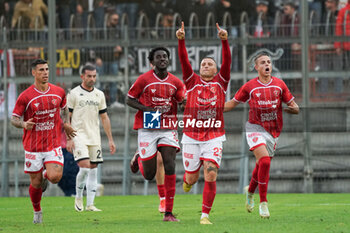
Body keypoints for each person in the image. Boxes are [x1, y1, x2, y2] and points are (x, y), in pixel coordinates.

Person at [224, 52, 299, 218]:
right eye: (263, 62)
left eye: (269, 62)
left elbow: (295, 106)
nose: (267, 65)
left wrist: (294, 109)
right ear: (256, 67)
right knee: (264, 161)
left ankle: (250, 192)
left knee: (261, 165)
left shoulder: (280, 85)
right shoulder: (250, 86)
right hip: (254, 128)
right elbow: (232, 103)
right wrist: (213, 109)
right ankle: (263, 203)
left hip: (273, 131)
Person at [176, 21, 231, 225]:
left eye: (210, 64)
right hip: (191, 135)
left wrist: (224, 41)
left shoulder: (221, 82)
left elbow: (228, 63)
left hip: (214, 136)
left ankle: (205, 215)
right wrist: (181, 41)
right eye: (203, 64)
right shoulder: (191, 82)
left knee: (210, 172)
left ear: (216, 69)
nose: (206, 66)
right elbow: (183, 61)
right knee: (191, 178)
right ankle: (187, 180)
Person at [11, 59, 76, 224]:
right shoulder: (25, 96)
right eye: (41, 70)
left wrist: (66, 123)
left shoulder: (58, 92)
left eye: (47, 69)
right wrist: (24, 124)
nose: (45, 72)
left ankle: (47, 174)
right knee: (36, 183)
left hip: (52, 144)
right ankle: (37, 211)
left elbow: (64, 109)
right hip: (32, 147)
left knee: (55, 177)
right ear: (34, 73)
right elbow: (14, 119)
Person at [127, 46, 186, 222]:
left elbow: (181, 99)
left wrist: (183, 104)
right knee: (149, 174)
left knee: (169, 164)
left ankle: (168, 212)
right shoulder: (144, 79)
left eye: (165, 57)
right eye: (159, 57)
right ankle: (139, 157)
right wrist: (147, 110)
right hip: (148, 126)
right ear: (152, 62)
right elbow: (129, 99)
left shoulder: (175, 82)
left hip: (168, 126)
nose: (163, 59)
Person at [66, 64, 116, 212]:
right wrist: (69, 139)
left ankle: (90, 204)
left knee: (93, 169)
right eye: (89, 76)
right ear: (82, 76)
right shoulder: (73, 94)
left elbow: (105, 117)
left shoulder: (99, 95)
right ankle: (79, 197)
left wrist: (110, 139)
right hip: (78, 135)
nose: (92, 79)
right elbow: (66, 118)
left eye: (94, 76)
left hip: (94, 137)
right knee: (85, 167)